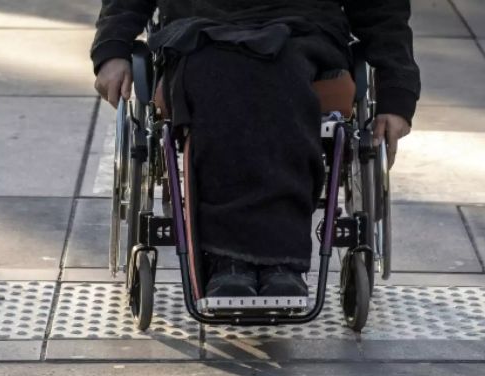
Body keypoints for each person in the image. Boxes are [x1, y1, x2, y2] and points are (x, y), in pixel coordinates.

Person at [92, 0, 420, 298]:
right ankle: (226, 258)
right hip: (201, 31)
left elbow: (383, 10)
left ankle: (280, 260)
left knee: (281, 76)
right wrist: (112, 48)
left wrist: (396, 92)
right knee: (217, 76)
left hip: (302, 30)